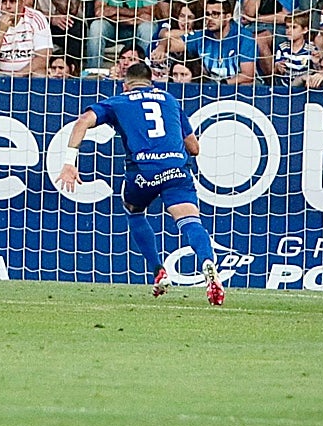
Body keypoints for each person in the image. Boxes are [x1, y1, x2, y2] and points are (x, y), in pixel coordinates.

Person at [59, 60, 225, 305]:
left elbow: (83, 120)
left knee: (133, 210)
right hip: (175, 170)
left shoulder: (118, 101)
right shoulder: (169, 99)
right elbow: (194, 147)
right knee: (190, 220)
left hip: (142, 174)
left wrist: (69, 162)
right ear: (152, 82)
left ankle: (158, 270)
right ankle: (207, 262)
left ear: (125, 85)